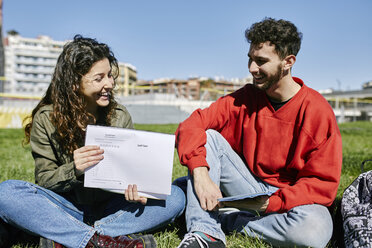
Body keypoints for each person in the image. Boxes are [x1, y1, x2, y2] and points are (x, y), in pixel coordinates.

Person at [0, 35, 185, 248]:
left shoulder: (119, 116)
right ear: (74, 83)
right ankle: (103, 240)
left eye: (110, 76)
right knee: (6, 192)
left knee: (176, 198)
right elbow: (44, 181)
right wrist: (74, 169)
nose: (110, 83)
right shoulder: (46, 118)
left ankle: (71, 235)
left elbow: (131, 174)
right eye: (99, 78)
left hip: (113, 209)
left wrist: (138, 190)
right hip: (67, 207)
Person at [174, 18, 342, 248]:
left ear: (288, 62)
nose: (252, 68)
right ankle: (206, 234)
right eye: (250, 59)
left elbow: (321, 185)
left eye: (261, 61)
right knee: (210, 137)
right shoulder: (245, 97)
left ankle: (227, 219)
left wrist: (270, 204)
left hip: (292, 200)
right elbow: (192, 125)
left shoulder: (317, 110)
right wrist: (201, 175)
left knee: (313, 232)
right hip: (246, 186)